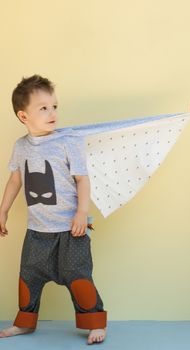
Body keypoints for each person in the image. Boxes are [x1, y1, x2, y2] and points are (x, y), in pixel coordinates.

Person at [0, 75, 107, 344]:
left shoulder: (68, 141)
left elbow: (82, 179)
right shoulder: (21, 147)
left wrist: (81, 212)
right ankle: (25, 323)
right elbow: (15, 180)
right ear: (24, 116)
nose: (52, 113)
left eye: (55, 106)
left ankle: (95, 323)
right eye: (43, 108)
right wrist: (3, 210)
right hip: (37, 231)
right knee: (28, 278)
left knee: (79, 278)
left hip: (70, 230)